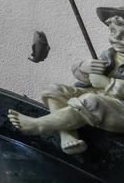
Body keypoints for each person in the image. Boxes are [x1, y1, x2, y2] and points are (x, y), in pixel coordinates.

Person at [8, 10, 124, 155]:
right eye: (113, 32)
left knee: (91, 101)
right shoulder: (110, 54)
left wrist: (108, 84)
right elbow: (90, 79)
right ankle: (67, 134)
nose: (117, 38)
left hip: (119, 108)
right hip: (101, 95)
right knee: (53, 89)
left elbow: (101, 83)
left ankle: (39, 125)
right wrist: (83, 67)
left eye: (123, 34)